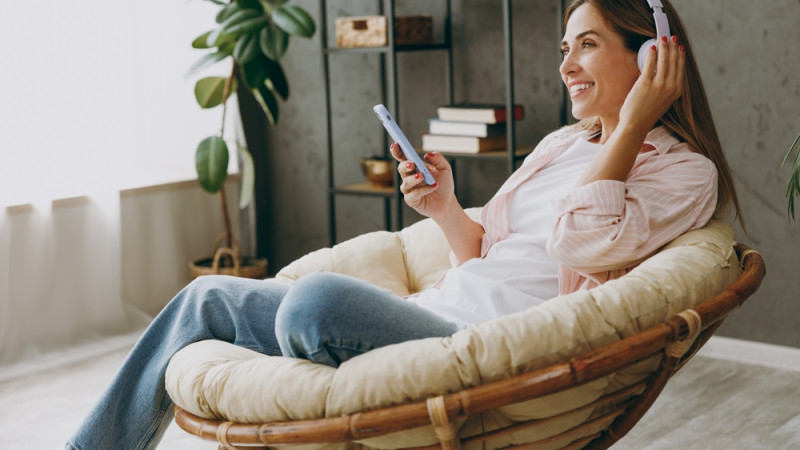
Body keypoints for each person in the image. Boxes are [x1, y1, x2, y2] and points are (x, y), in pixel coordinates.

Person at [67, 0, 742, 448]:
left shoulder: (683, 172)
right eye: (564, 47)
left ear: (652, 56)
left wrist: (632, 125)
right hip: (430, 315)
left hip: (480, 349)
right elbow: (489, 257)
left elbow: (578, 240)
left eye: (587, 45)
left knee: (313, 302)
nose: (565, 66)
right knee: (205, 297)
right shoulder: (563, 145)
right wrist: (445, 207)